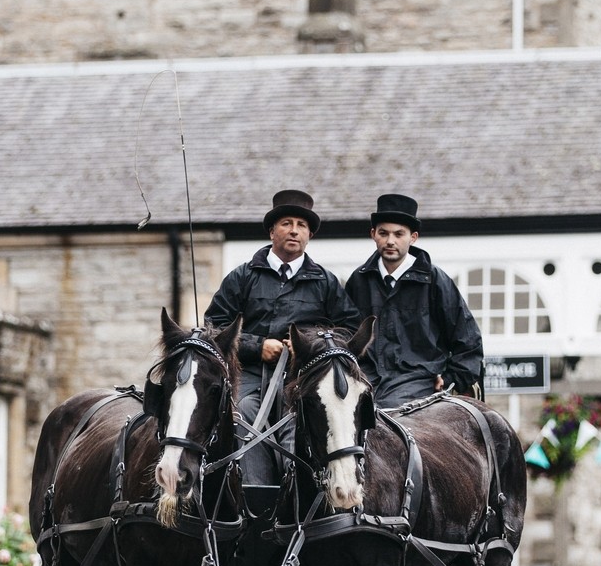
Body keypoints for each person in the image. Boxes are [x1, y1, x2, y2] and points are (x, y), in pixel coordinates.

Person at [204, 189, 361, 488]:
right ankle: (255, 499)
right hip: (249, 377)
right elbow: (215, 325)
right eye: (287, 223)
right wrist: (257, 346)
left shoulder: (326, 282)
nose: (294, 230)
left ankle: (298, 499)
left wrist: (309, 343)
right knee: (241, 416)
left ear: (309, 235)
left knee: (304, 422)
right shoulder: (243, 276)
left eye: (302, 225)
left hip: (301, 380)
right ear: (272, 230)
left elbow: (348, 330)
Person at [344, 193, 483, 408]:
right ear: (373, 234)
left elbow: (468, 341)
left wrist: (450, 378)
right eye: (384, 233)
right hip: (365, 382)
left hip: (420, 382)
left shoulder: (435, 281)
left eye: (399, 234)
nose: (390, 241)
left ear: (413, 237)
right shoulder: (358, 281)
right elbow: (345, 334)